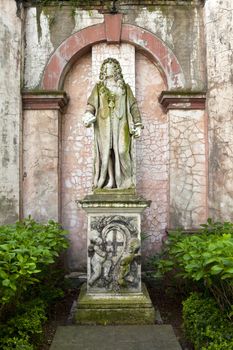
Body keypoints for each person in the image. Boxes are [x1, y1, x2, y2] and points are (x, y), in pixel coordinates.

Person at [83, 58, 143, 189]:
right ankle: (109, 181)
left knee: (122, 150)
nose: (107, 68)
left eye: (110, 66)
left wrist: (138, 124)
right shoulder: (99, 88)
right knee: (106, 152)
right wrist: (88, 115)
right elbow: (91, 104)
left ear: (116, 69)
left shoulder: (125, 88)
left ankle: (127, 182)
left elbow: (133, 106)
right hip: (103, 124)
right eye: (105, 66)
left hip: (122, 123)